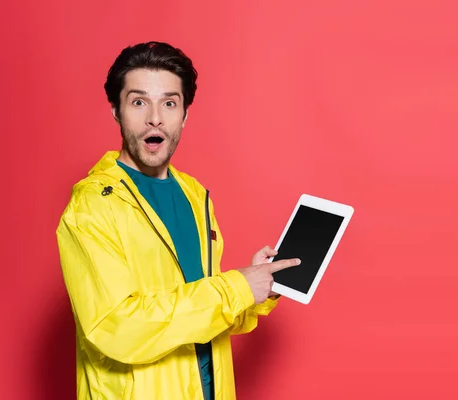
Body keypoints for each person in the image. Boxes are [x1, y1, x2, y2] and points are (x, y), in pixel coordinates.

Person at [56, 41, 301, 400]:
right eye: (139, 102)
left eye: (169, 103)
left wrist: (256, 291)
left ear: (185, 114)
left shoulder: (193, 193)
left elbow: (201, 313)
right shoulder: (92, 205)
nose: (155, 117)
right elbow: (118, 326)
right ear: (116, 111)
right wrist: (235, 288)